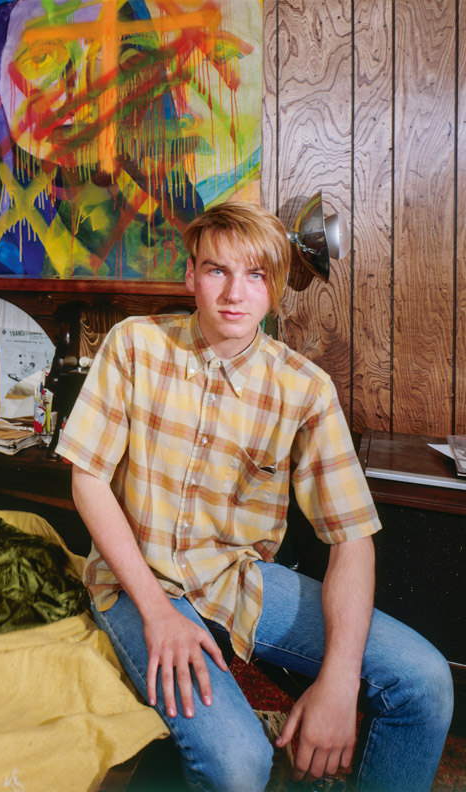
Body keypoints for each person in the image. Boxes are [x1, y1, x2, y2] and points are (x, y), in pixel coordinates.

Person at [55, 201, 453, 791]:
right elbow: (86, 478)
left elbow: (352, 538)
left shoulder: (305, 390)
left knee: (425, 681)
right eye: (217, 271)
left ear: (276, 288)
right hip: (136, 585)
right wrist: (159, 614)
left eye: (256, 275)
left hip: (236, 579)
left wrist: (340, 682)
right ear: (191, 275)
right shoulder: (134, 345)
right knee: (240, 764)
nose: (234, 293)